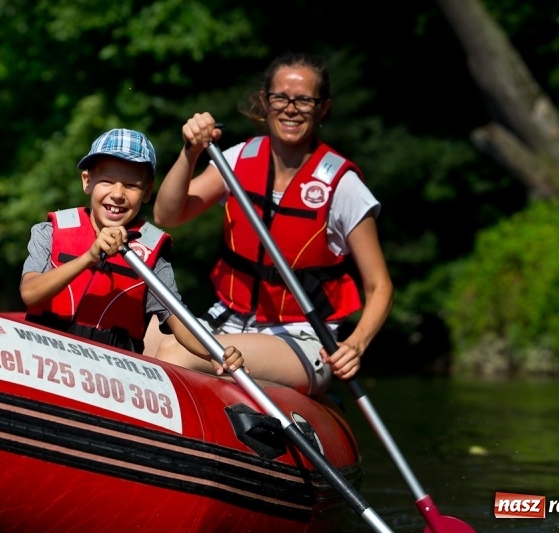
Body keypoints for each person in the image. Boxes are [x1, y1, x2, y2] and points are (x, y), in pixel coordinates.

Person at [150, 52, 393, 395]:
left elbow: (379, 286)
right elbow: (167, 215)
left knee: (176, 352)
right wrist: (190, 152)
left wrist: (355, 344)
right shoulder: (237, 159)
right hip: (228, 319)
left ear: (323, 108)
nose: (291, 109)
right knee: (143, 335)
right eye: (281, 97)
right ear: (265, 102)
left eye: (305, 100)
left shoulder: (343, 185)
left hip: (303, 338)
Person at [19, 128, 245, 376]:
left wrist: (213, 352)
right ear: (87, 181)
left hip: (111, 376)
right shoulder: (49, 232)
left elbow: (178, 319)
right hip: (45, 360)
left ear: (147, 192)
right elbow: (30, 293)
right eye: (106, 181)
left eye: (130, 185)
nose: (117, 195)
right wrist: (89, 258)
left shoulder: (153, 254)